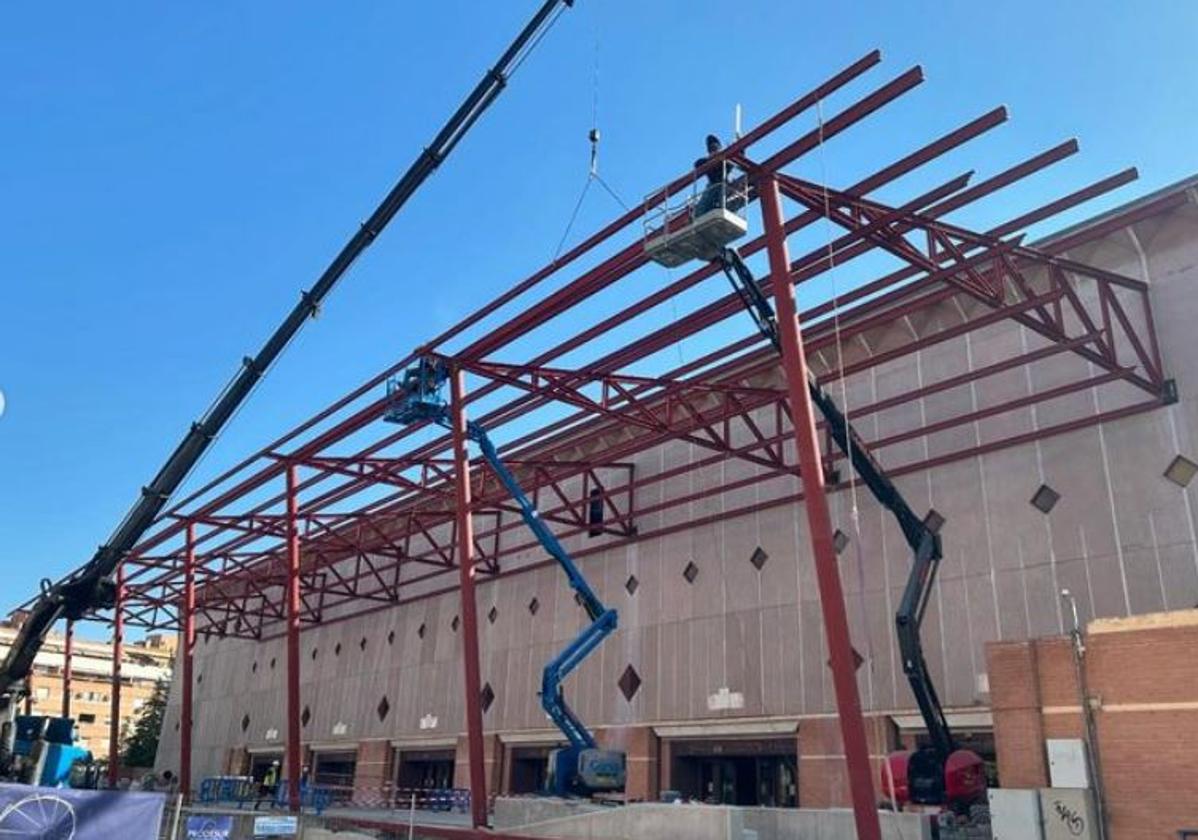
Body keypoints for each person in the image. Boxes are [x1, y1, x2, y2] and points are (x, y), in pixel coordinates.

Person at [693, 134, 732, 216]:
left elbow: (733, 162)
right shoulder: (706, 162)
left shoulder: (726, 159)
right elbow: (697, 164)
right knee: (700, 210)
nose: (713, 150)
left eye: (715, 148)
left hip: (724, 184)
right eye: (711, 149)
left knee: (724, 200)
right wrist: (712, 158)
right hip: (713, 186)